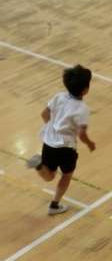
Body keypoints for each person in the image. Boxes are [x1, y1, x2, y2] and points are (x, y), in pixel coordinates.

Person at [27, 64, 96, 215]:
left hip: (49, 142)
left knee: (49, 175)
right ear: (85, 90)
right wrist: (90, 144)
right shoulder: (82, 109)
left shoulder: (58, 97)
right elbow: (82, 134)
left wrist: (52, 128)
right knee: (67, 175)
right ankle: (54, 205)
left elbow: (44, 114)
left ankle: (39, 166)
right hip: (66, 147)